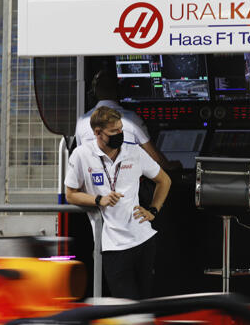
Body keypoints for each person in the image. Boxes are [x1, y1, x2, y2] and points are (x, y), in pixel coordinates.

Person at [65, 106, 171, 300]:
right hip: (112, 246)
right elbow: (70, 194)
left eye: (121, 129)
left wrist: (153, 210)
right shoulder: (81, 155)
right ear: (98, 133)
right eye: (114, 131)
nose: (120, 134)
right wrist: (98, 199)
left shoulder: (134, 151)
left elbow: (164, 180)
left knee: (146, 306)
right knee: (125, 307)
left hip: (143, 239)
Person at [75, 70, 179, 172]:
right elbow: (155, 159)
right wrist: (171, 166)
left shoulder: (81, 121)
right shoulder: (131, 119)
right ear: (119, 91)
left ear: (94, 92)